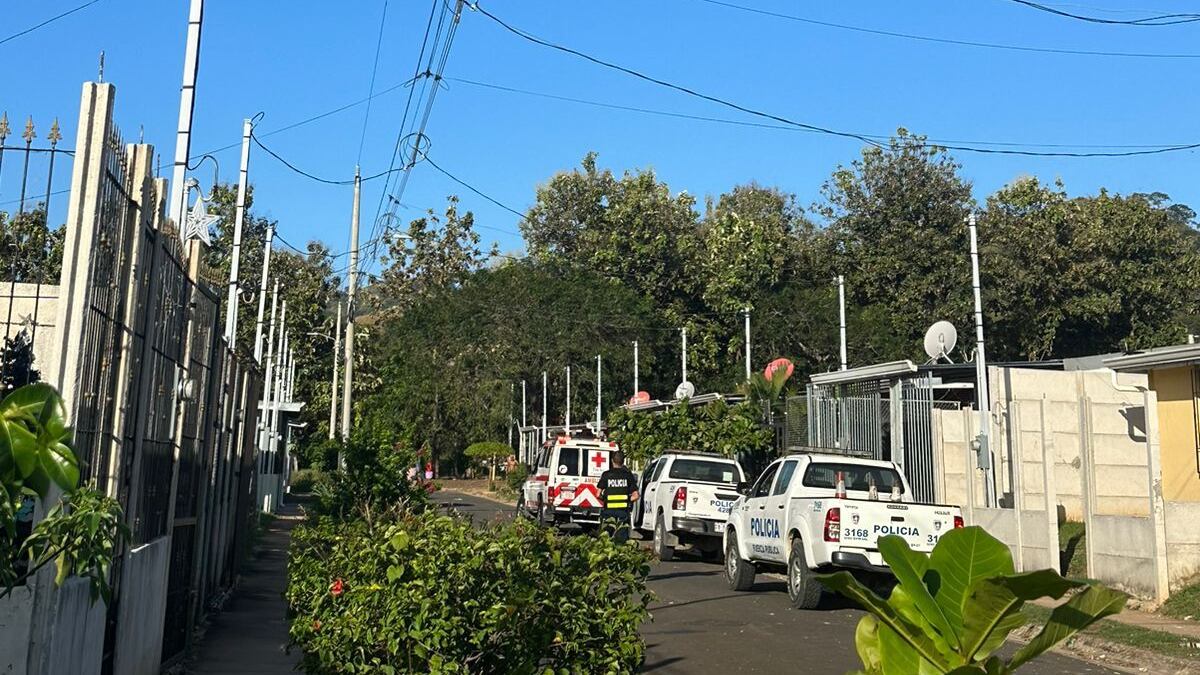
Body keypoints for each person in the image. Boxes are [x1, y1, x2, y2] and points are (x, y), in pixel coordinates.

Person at [597, 450, 639, 543]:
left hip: (608, 512)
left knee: (606, 539)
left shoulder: (606, 475)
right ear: (623, 461)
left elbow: (598, 494)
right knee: (621, 541)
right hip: (623, 513)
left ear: (612, 461)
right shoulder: (628, 475)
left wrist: (605, 499)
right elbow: (636, 496)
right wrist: (627, 500)